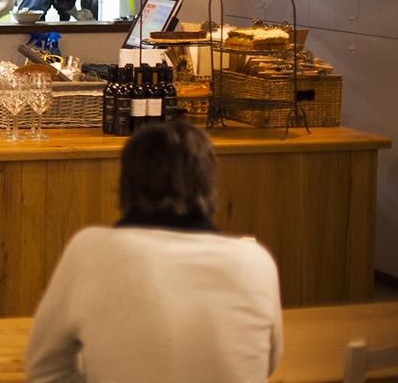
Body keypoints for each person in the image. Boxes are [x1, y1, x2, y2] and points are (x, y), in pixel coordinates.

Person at [24, 122, 283, 383]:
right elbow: (266, 363)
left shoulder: (90, 251)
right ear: (208, 184)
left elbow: (45, 371)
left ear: (126, 184)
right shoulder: (256, 261)